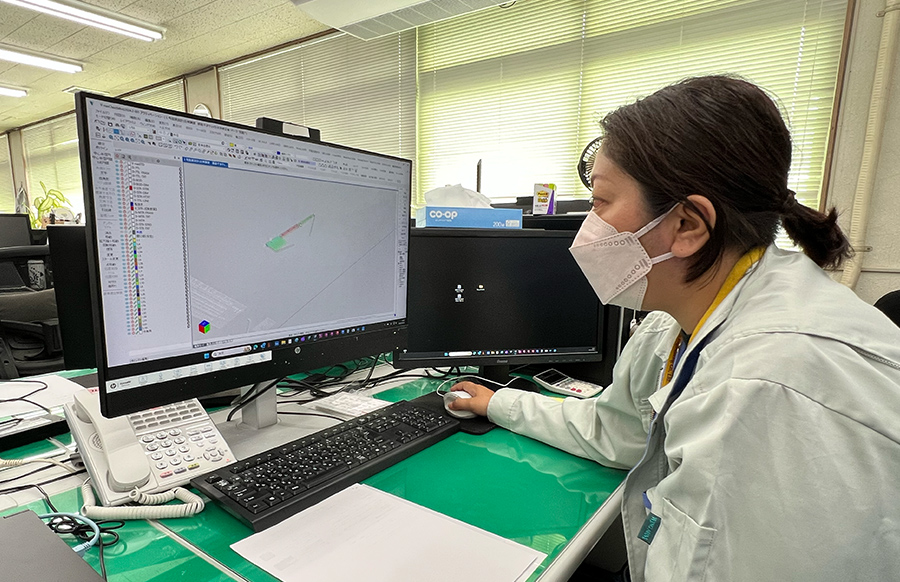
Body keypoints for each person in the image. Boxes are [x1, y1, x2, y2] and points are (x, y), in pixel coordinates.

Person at [447, 75, 900, 581]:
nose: (588, 226)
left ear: (687, 225)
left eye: (600, 202)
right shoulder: (681, 319)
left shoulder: (766, 388)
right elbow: (618, 431)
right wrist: (498, 403)